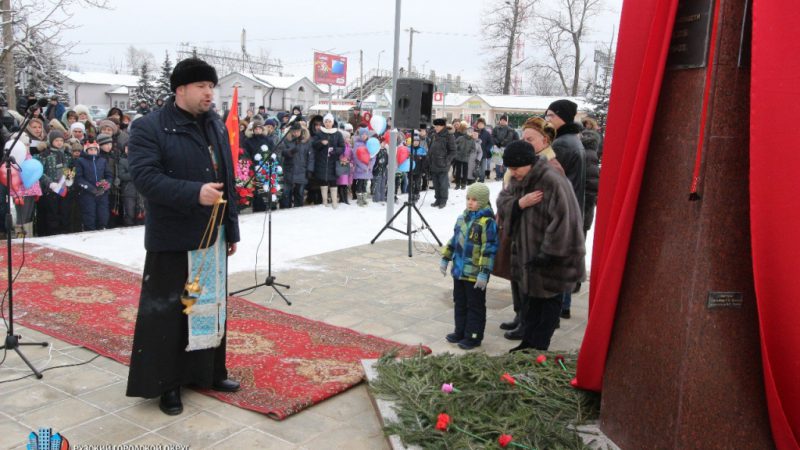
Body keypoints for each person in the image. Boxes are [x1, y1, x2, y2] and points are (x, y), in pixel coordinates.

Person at [126, 57, 241, 416]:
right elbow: (145, 178)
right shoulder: (150, 127)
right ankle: (167, 384)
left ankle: (207, 372)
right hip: (174, 237)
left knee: (208, 307)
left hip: (213, 235)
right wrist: (194, 193)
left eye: (212, 86)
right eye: (202, 87)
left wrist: (232, 228)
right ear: (181, 90)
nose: (210, 93)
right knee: (172, 313)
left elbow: (229, 179)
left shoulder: (216, 125)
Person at [495, 141, 585, 352]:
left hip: (552, 255)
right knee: (532, 301)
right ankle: (529, 343)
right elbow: (503, 200)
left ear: (529, 163)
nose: (512, 173)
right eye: (509, 168)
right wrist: (519, 204)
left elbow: (567, 219)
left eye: (515, 168)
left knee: (548, 301)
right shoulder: (522, 179)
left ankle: (538, 346)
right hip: (530, 255)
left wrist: (549, 253)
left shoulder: (552, 180)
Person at [440, 182, 498, 350]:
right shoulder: (462, 218)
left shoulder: (487, 222)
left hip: (475, 274)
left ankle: (473, 336)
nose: (470, 202)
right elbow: (454, 240)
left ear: (483, 201)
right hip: (459, 271)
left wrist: (484, 272)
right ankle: (460, 331)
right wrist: (446, 257)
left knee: (475, 306)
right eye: (468, 199)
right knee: (459, 302)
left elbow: (489, 249)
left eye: (474, 200)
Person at [545, 99, 586, 320]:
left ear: (562, 116)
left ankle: (559, 305)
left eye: (551, 115)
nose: (547, 119)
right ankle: (564, 304)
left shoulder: (561, 144)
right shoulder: (573, 140)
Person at [35, 130, 71, 236]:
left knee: (64, 213)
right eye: (56, 140)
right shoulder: (45, 155)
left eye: (61, 140)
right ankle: (53, 234)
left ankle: (64, 233)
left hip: (64, 189)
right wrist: (49, 183)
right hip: (50, 190)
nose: (59, 143)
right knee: (52, 215)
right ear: (51, 141)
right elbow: (40, 172)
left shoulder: (67, 155)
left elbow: (70, 168)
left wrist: (69, 180)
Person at [74, 140, 113, 231]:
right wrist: (91, 189)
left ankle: (102, 228)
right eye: (90, 149)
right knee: (89, 214)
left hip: (102, 193)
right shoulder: (81, 161)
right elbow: (79, 178)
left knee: (103, 214)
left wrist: (103, 186)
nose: (93, 151)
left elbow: (109, 176)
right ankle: (89, 231)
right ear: (86, 151)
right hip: (87, 193)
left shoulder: (102, 161)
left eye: (94, 149)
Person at [311, 113, 345, 208]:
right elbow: (314, 144)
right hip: (321, 162)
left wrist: (335, 150)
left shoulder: (338, 134)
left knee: (333, 182)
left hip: (333, 162)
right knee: (323, 181)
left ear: (332, 122)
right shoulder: (319, 133)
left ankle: (334, 202)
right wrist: (321, 143)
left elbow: (342, 147)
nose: (328, 123)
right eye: (326, 121)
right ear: (324, 122)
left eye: (329, 121)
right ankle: (324, 202)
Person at [279, 121, 314, 208]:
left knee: (299, 193)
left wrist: (310, 169)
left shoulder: (307, 142)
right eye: (294, 131)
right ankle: (285, 210)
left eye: (297, 131)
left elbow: (311, 156)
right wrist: (291, 151)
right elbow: (283, 152)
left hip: (302, 171)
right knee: (286, 193)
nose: (296, 133)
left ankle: (298, 211)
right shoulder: (287, 140)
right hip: (289, 170)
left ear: (301, 131)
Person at [428, 118, 456, 208]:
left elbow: (453, 151)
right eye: (435, 126)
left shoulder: (449, 136)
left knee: (443, 184)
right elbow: (431, 149)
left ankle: (443, 200)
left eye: (437, 126)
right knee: (435, 183)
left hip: (443, 164)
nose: (436, 127)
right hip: (434, 163)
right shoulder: (434, 135)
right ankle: (437, 199)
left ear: (442, 126)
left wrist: (446, 161)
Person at [491, 114, 519, 180]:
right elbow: (492, 136)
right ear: (500, 121)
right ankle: (498, 176)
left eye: (504, 120)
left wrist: (505, 144)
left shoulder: (511, 129)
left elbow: (513, 138)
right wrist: (497, 143)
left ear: (506, 121)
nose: (503, 121)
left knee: (505, 162)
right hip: (497, 148)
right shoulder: (496, 128)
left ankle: (504, 176)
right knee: (497, 162)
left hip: (507, 148)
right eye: (501, 120)